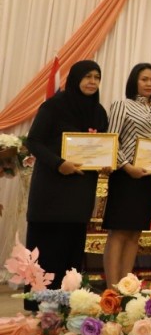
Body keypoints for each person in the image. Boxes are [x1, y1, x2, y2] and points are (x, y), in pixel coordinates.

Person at [24, 60, 108, 301]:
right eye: (88, 76)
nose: (92, 82)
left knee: (72, 248)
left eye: (97, 77)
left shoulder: (98, 112)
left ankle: (68, 303)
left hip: (80, 192)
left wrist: (105, 163)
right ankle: (40, 303)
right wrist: (59, 163)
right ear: (75, 78)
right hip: (51, 191)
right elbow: (34, 141)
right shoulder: (53, 106)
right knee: (47, 249)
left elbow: (102, 146)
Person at [102, 63, 151, 284]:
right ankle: (112, 288)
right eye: (144, 79)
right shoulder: (122, 105)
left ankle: (125, 286)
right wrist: (127, 166)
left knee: (135, 233)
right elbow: (112, 140)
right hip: (125, 176)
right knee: (119, 232)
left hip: (147, 177)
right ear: (134, 81)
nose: (149, 84)